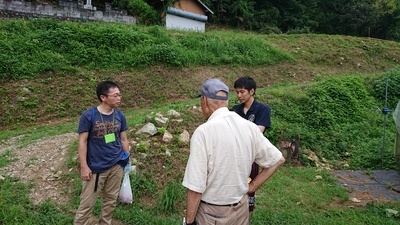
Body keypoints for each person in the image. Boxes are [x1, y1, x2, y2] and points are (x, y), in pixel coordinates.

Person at [182, 78, 285, 225]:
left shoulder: (203, 132)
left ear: (204, 101)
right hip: (241, 210)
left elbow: (195, 186)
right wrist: (253, 186)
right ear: (226, 101)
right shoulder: (249, 127)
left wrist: (190, 221)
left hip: (213, 215)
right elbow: (278, 159)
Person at [74, 81, 131, 225]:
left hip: (116, 165)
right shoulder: (89, 116)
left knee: (110, 202)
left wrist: (127, 158)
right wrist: (84, 166)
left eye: (120, 95)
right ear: (103, 97)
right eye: (115, 95)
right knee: (86, 205)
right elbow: (83, 141)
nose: (119, 98)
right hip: (96, 168)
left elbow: (123, 139)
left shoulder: (119, 115)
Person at [232, 76, 271, 219]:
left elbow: (257, 133)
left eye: (242, 92)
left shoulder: (262, 109)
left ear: (252, 91)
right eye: (237, 92)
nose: (239, 95)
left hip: (251, 157)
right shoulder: (235, 110)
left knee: (249, 189)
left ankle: (246, 218)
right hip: (234, 155)